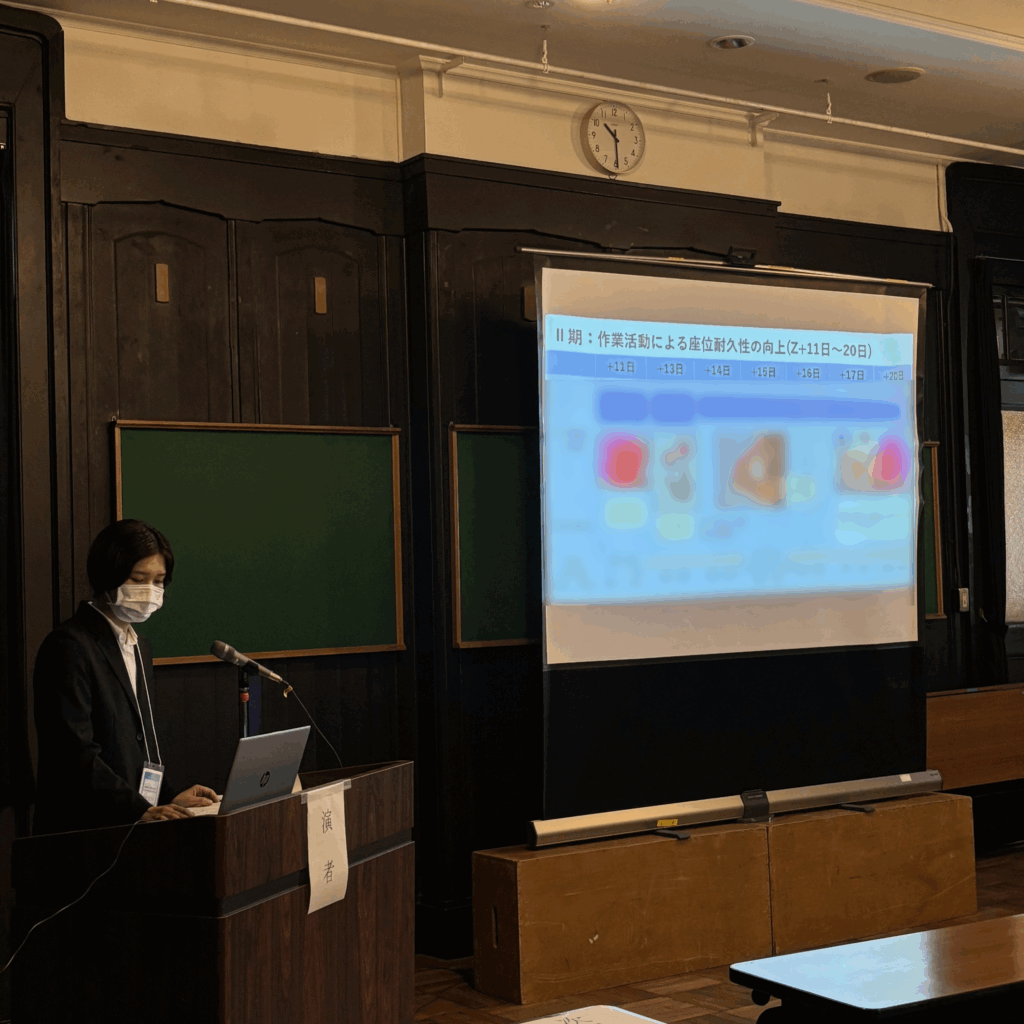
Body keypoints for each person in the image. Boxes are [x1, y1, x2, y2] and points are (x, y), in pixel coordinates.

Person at [33, 519, 217, 834]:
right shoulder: (69, 645)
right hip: (84, 831)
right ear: (107, 576)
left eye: (159, 581)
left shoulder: (138, 645)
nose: (150, 590)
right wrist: (138, 808)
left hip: (131, 827)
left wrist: (167, 798)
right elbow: (74, 752)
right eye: (138, 579)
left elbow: (140, 743)